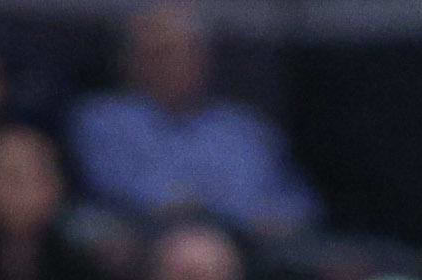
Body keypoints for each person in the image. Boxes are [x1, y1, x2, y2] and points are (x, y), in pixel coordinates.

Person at [67, 1, 314, 234]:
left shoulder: (246, 129)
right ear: (129, 61)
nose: (177, 64)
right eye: (162, 53)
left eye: (190, 51)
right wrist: (209, 211)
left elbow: (299, 205)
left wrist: (276, 220)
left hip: (251, 254)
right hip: (152, 249)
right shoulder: (103, 120)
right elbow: (123, 194)